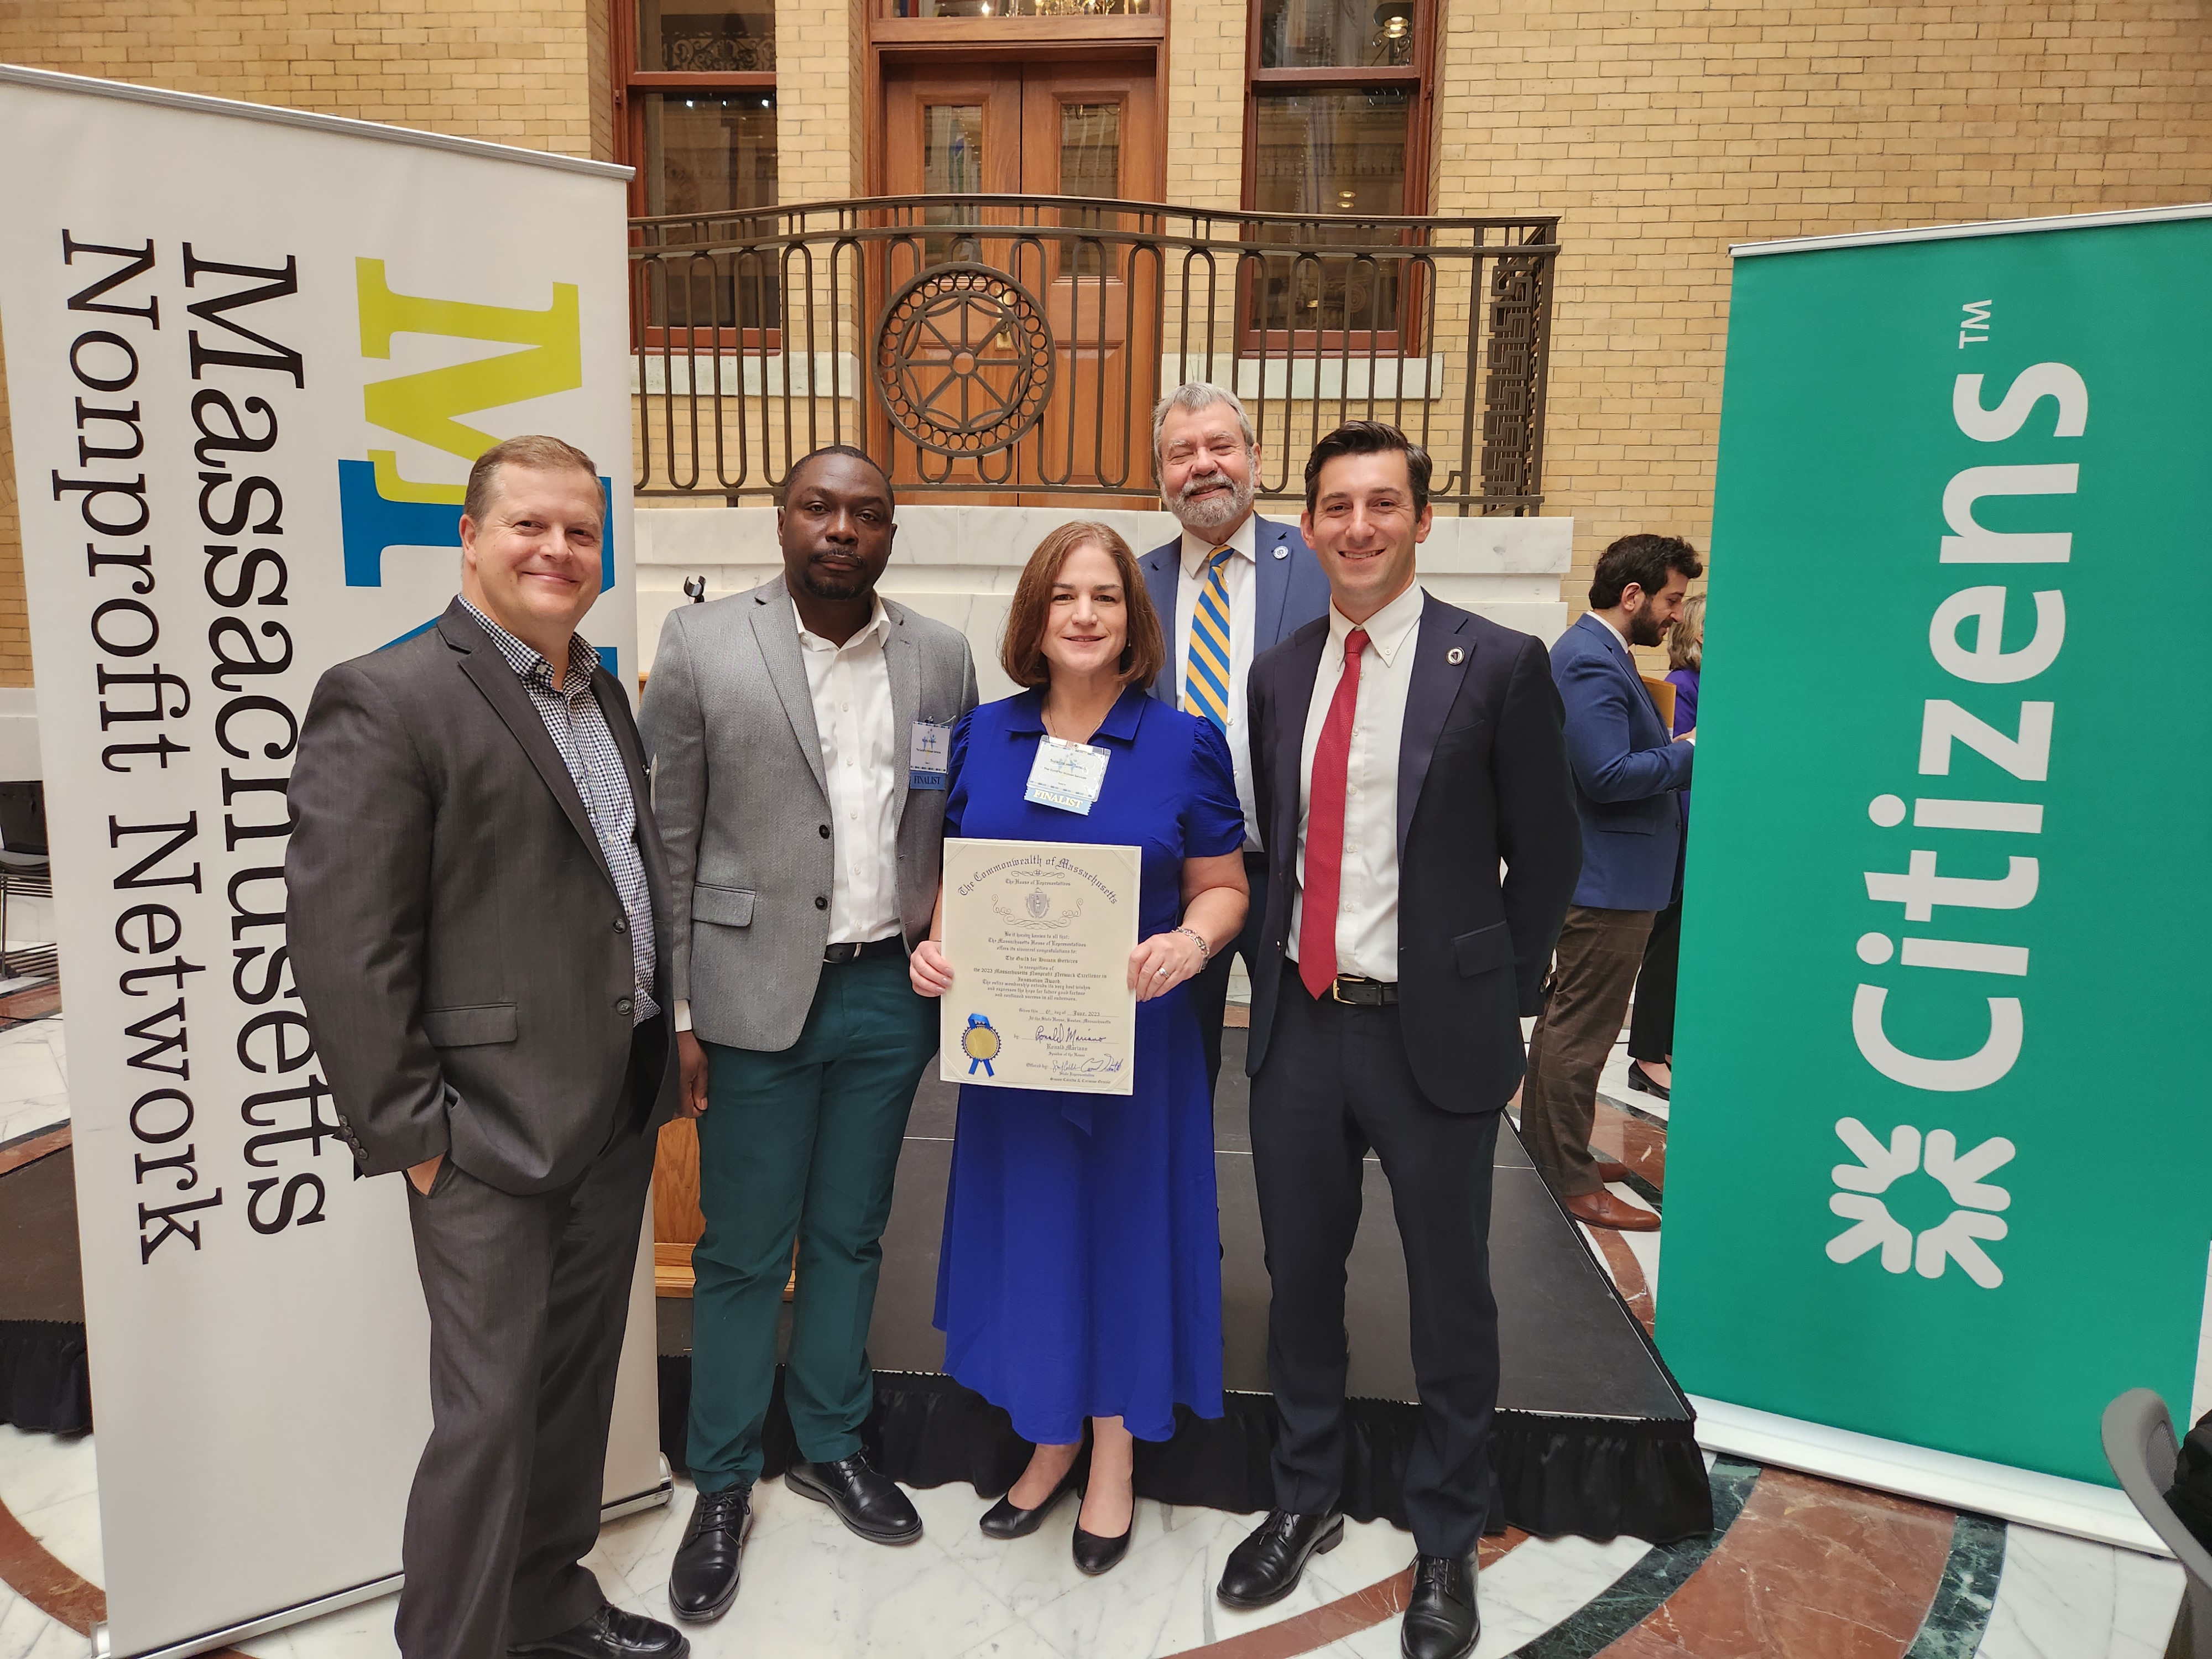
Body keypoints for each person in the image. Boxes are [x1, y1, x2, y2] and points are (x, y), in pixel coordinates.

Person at [287, 435, 687, 1659]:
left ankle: (548, 1603)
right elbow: (348, 948)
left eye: (579, 531)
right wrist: (415, 1140)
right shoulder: (388, 695)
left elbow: (611, 887)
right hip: (480, 1136)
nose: (558, 550)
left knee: (569, 1396)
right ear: (468, 537)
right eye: (529, 526)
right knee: (486, 1418)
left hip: (609, 1112)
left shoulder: (598, 687)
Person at [1221, 423, 1580, 1659]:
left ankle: (1444, 1531)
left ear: (1422, 521)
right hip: (1302, 1027)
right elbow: (1276, 853)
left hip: (1435, 1036)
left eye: (1381, 504)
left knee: (1448, 1293)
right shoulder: (1276, 673)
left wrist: (1503, 993)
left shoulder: (1500, 665)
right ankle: (1304, 1492)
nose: (1357, 527)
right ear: (1307, 525)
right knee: (1300, 1280)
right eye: (1334, 506)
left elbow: (1548, 854)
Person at [638, 446, 978, 1622]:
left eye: (866, 514)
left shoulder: (939, 655)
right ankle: (723, 1477)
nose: (841, 528)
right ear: (782, 520)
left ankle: (830, 1441)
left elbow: (951, 820)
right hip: (747, 996)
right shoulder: (700, 646)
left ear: (891, 532)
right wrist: (676, 1012)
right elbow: (664, 841)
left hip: (889, 995)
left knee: (849, 1234)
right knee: (741, 1248)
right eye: (818, 508)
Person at [910, 521, 1248, 1577]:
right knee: (1040, 1240)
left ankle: (1113, 1451)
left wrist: (1193, 941)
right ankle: (1049, 1434)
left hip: (1135, 1052)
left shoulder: (1184, 741)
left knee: (1124, 1241)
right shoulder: (985, 735)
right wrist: (934, 951)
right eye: (1065, 597)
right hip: (1013, 1055)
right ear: (1036, 617)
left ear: (1132, 617)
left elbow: (1226, 887)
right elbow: (953, 888)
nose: (1087, 615)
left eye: (1105, 596)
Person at [1137, 383, 1332, 1096]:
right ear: (1161, 477)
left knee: (1299, 1073)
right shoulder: (1133, 586)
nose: (1203, 466)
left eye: (1220, 446)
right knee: (1178, 1065)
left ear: (1255, 456)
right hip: (1177, 874)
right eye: (1181, 453)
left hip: (1296, 865)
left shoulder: (1322, 564)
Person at [1520, 534, 1701, 1232]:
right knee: (1581, 1035)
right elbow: (1606, 776)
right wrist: (1687, 753)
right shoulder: (1589, 661)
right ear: (1632, 596)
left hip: (1614, 878)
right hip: (1604, 883)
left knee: (1574, 1030)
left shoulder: (1600, 655)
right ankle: (1566, 1176)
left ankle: (1554, 1153)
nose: (1675, 616)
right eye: (1671, 600)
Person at [1625, 592, 1703, 1100]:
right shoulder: (1681, 685)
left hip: (1702, 832)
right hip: (1682, 830)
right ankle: (1649, 1054)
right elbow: (1669, 761)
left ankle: (1667, 1045)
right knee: (1667, 944)